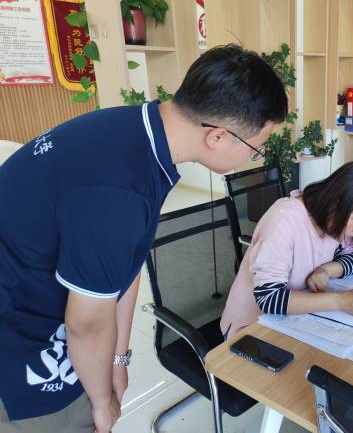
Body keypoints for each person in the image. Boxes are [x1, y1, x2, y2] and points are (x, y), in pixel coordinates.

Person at [0, 44, 287, 433]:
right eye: (257, 147)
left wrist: (118, 360)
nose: (257, 157)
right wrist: (101, 402)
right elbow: (87, 325)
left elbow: (128, 264)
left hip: (46, 304)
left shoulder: (140, 132)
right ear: (218, 136)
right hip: (18, 339)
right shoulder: (120, 189)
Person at [220, 161, 353, 338]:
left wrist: (327, 270)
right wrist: (340, 301)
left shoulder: (331, 220)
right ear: (335, 205)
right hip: (251, 328)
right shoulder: (284, 220)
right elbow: (269, 298)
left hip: (294, 321)